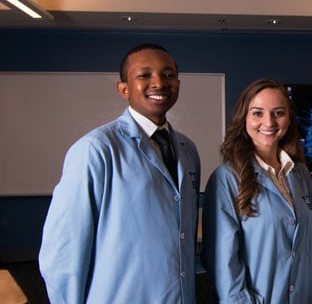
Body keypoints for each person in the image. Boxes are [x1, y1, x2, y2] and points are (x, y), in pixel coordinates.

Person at [39, 43, 201, 302]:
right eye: (144, 75)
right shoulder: (95, 150)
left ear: (178, 84)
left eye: (168, 74)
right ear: (123, 88)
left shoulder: (187, 149)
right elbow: (62, 252)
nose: (159, 82)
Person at [202, 78, 312, 303]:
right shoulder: (226, 179)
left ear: (289, 119)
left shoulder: (300, 174)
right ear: (244, 119)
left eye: (278, 112)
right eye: (258, 113)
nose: (268, 122)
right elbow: (223, 265)